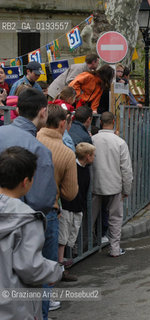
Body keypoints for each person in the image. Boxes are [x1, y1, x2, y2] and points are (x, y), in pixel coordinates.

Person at [0, 146, 63, 320]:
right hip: (14, 308)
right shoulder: (27, 218)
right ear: (25, 181)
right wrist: (54, 271)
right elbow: (30, 267)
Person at [36, 104, 78, 290]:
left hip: (20, 209)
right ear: (62, 123)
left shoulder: (30, 140)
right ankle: (46, 304)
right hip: (49, 211)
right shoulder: (66, 153)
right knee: (47, 263)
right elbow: (70, 193)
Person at [91, 112, 132, 257]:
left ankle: (83, 245)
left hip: (95, 184)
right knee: (115, 218)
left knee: (90, 217)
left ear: (101, 122)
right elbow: (126, 169)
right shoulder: (119, 142)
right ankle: (115, 248)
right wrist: (126, 189)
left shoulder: (92, 140)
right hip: (114, 185)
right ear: (114, 122)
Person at [58, 142, 95, 282]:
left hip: (78, 206)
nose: (94, 158)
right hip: (68, 205)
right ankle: (60, 268)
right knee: (62, 238)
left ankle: (64, 263)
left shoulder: (86, 168)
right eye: (93, 155)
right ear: (87, 156)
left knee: (71, 236)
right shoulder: (73, 167)